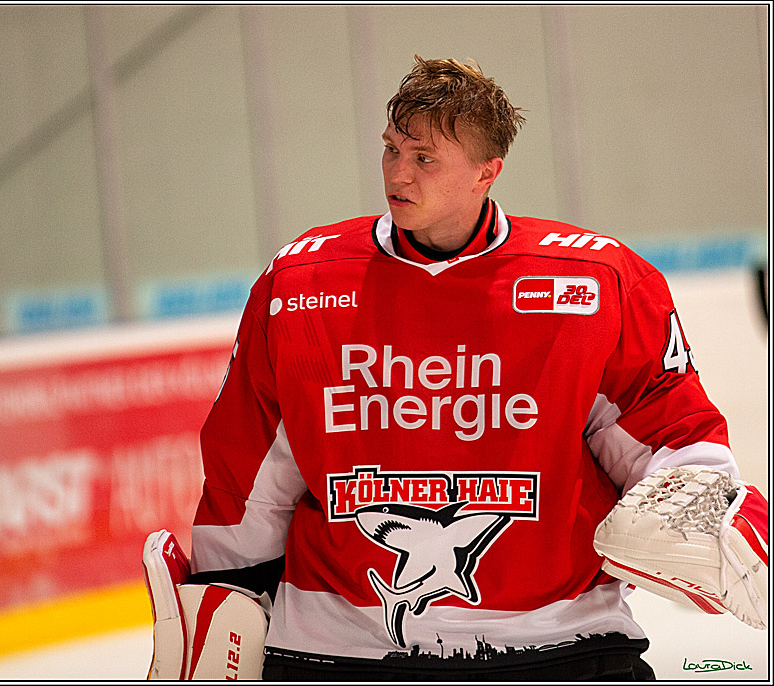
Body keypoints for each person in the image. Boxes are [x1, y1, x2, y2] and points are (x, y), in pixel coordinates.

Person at [183, 57, 766, 680]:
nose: (398, 173)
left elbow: (670, 432)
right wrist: (224, 602)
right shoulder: (300, 282)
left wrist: (727, 516)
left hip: (564, 641)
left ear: (488, 173)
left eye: (424, 158)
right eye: (391, 150)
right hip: (341, 648)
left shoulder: (597, 282)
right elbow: (248, 471)